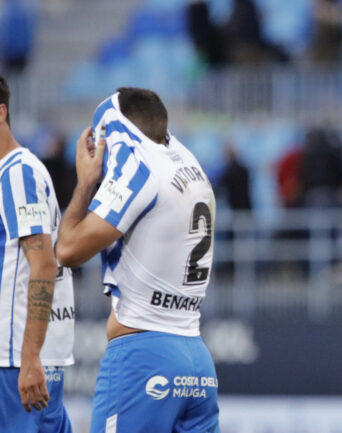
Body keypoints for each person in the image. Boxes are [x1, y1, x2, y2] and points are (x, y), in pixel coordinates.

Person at [56, 88, 219, 433]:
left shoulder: (139, 170)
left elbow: (67, 250)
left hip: (144, 356)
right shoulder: (190, 163)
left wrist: (85, 183)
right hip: (197, 359)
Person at [0, 75, 74, 431]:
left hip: (16, 360)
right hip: (27, 357)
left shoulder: (17, 174)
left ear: (1, 113)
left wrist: (29, 357)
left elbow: (43, 264)